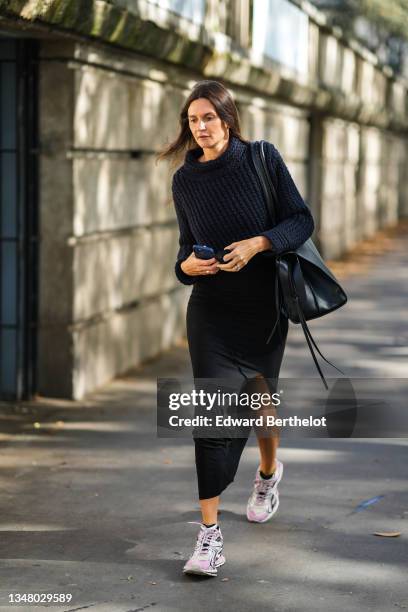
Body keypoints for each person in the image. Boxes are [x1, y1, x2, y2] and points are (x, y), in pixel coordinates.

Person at [157, 80, 314, 577]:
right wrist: (187, 269)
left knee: (258, 399)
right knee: (211, 417)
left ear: (227, 118)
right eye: (192, 120)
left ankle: (268, 474)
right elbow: (184, 250)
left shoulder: (262, 160)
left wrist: (259, 244)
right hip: (210, 311)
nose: (199, 128)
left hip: (263, 309)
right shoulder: (185, 181)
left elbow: (300, 220)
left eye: (208, 118)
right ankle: (209, 538)